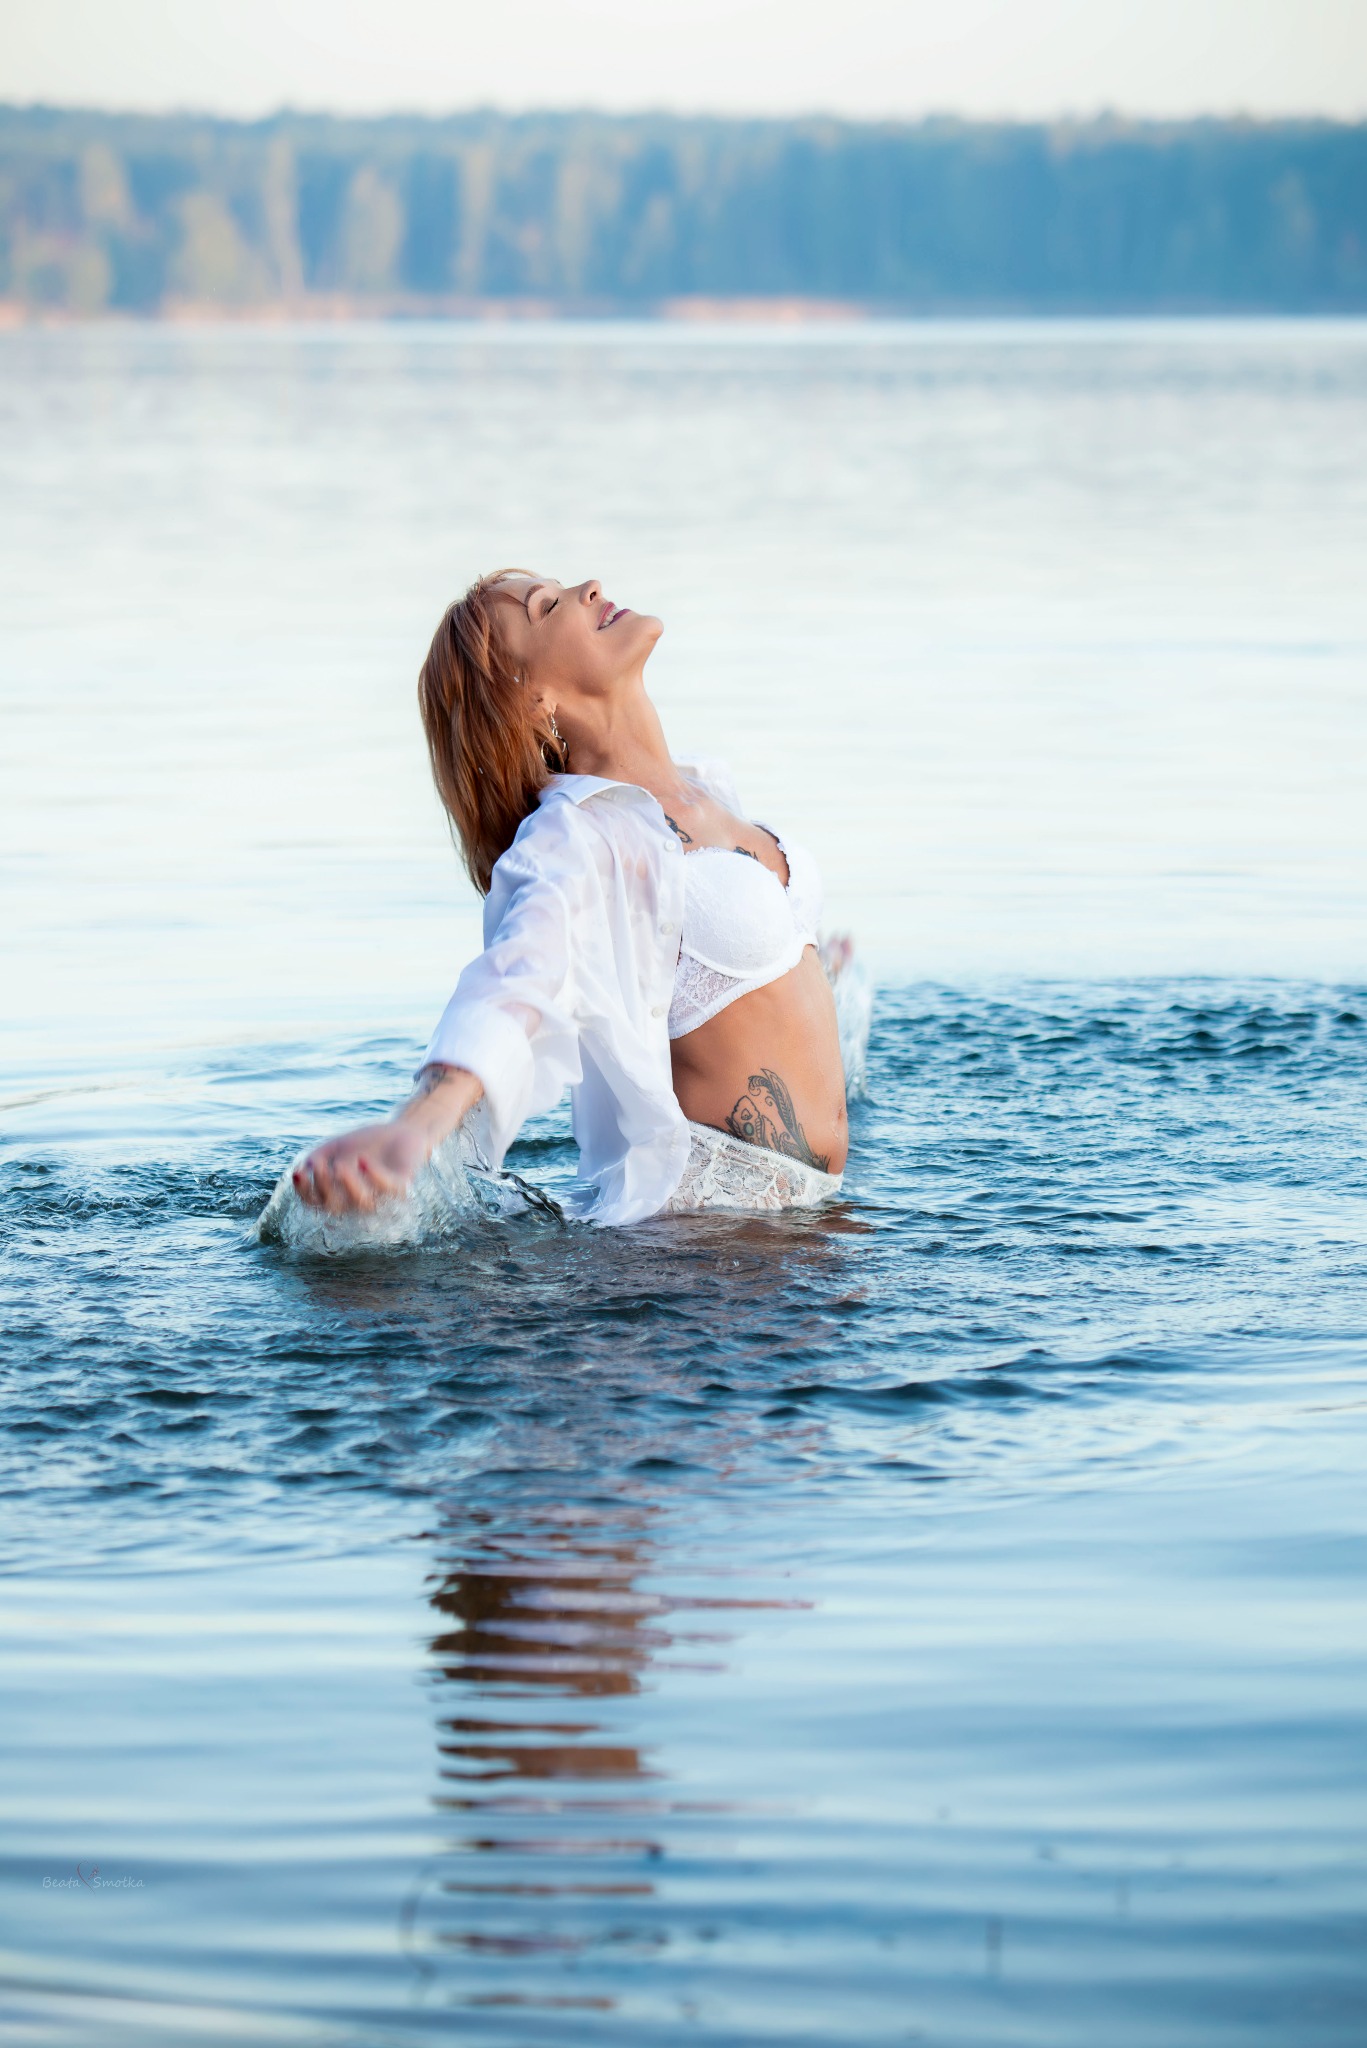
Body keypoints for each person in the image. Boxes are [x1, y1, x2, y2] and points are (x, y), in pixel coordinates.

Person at [291, 570, 851, 1226]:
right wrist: (418, 1125)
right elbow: (516, 976)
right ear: (532, 700)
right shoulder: (577, 836)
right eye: (547, 606)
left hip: (795, 1225)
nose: (589, 586)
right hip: (705, 1243)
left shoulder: (707, 786)